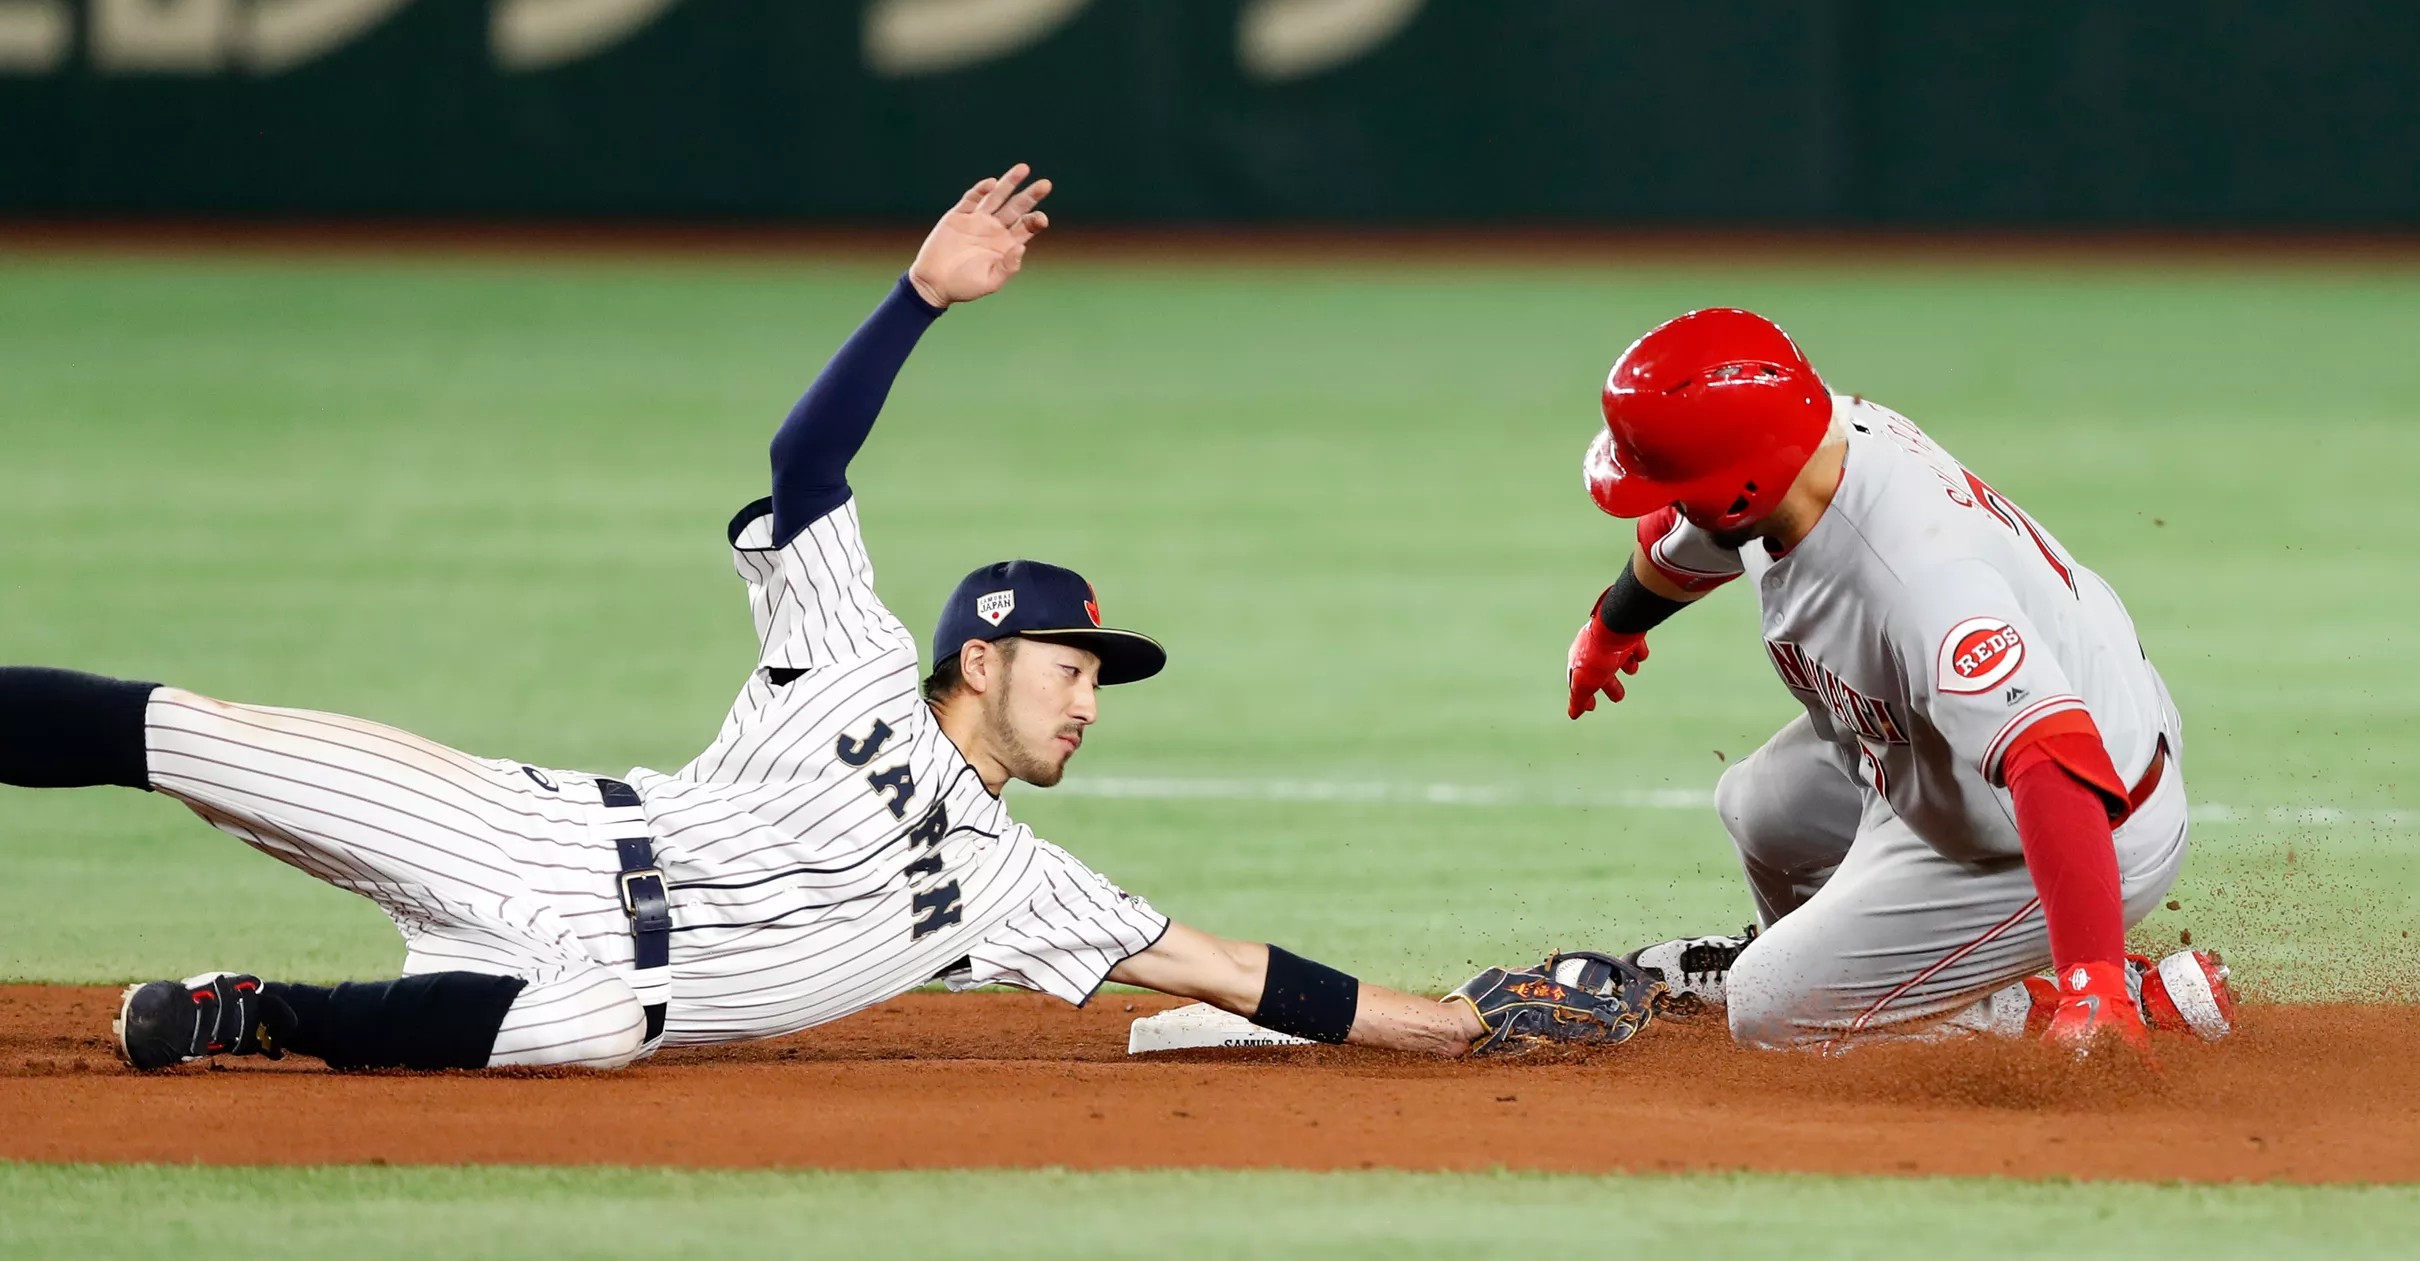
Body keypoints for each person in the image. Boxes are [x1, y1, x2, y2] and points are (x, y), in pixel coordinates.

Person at [3, 166, 1594, 1071]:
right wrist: (917, 300)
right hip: (532, 837)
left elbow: (1225, 967)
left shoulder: (1016, 886)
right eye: (1070, 665)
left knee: (588, 1025)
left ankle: (249, 1018)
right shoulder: (845, 655)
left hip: (610, 994)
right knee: (192, 736)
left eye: (1100, 678)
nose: (1089, 699)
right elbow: (803, 464)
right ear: (983, 656)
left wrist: (1441, 1025)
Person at [1562, 308, 2237, 1053]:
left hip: (2076, 824)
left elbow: (2051, 759)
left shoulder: (1919, 577)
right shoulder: (1805, 452)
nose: (1666, 499)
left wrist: (2094, 980)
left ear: (1739, 494)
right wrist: (1611, 630)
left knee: (1766, 1012)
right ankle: (1856, 970)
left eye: (1678, 484)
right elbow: (1682, 540)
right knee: (1759, 807)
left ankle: (2076, 998)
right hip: (1946, 751)